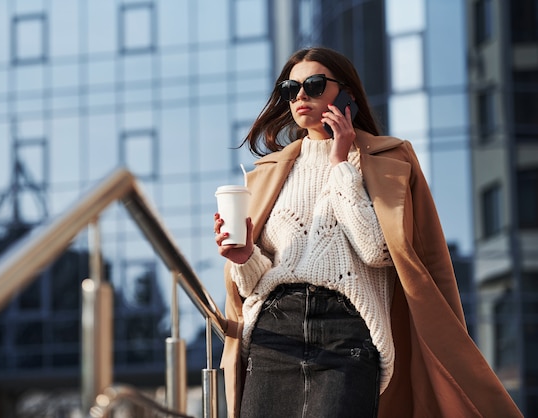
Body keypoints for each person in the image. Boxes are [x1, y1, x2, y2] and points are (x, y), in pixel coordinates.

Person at [213, 47, 522, 418]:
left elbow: (376, 250)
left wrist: (342, 163)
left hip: (348, 332)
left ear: (347, 95)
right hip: (275, 331)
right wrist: (244, 257)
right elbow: (254, 283)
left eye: (313, 84)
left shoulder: (389, 160)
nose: (299, 96)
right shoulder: (267, 172)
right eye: (289, 88)